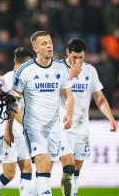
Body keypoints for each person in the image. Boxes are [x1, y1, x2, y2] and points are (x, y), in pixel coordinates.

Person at [5, 31, 75, 196]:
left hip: (55, 127)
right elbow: (13, 102)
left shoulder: (61, 68)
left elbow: (68, 95)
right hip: (33, 127)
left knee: (45, 173)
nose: (49, 45)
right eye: (44, 43)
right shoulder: (25, 70)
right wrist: (8, 129)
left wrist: (70, 114)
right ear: (35, 48)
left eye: (50, 42)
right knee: (43, 167)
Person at [60, 39, 118, 196]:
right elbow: (52, 94)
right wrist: (70, 76)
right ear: (67, 53)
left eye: (81, 57)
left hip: (82, 127)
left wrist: (111, 118)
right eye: (74, 57)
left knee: (76, 171)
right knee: (69, 168)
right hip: (63, 126)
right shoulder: (58, 69)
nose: (78, 61)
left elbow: (99, 98)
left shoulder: (90, 71)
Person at [0, 47, 35, 196]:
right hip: (9, 130)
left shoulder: (8, 78)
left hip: (21, 130)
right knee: (9, 174)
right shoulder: (11, 79)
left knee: (27, 168)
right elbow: (13, 107)